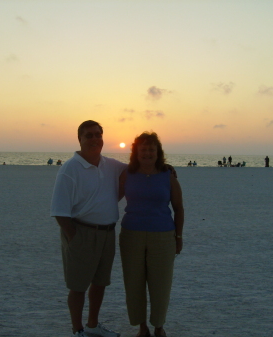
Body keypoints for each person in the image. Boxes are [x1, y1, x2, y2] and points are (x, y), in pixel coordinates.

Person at [50, 120, 126, 337]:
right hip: (80, 233)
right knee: (78, 286)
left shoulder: (110, 164)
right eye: (89, 135)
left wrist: (164, 166)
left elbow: (137, 168)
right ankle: (78, 330)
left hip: (107, 233)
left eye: (98, 135)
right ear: (80, 140)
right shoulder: (70, 169)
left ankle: (93, 325)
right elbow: (59, 210)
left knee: (100, 283)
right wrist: (73, 238)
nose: (94, 139)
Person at [118, 132, 184, 337]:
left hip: (163, 236)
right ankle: (142, 327)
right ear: (136, 153)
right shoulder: (127, 174)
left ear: (158, 153)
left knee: (161, 284)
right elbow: (110, 198)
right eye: (143, 149)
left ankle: (158, 326)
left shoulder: (168, 176)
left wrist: (179, 237)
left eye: (151, 149)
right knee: (133, 283)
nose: (147, 153)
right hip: (131, 235)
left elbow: (179, 208)